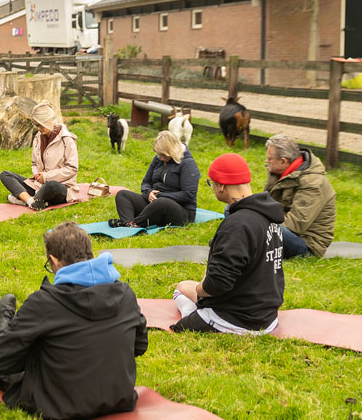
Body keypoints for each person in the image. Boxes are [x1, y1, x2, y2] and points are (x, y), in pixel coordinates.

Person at [0, 222, 148, 420]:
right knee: (11, 349)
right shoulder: (125, 293)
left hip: (57, 404)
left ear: (53, 261)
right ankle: (1, 334)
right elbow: (139, 346)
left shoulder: (45, 303)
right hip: (118, 398)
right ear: (90, 254)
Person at [171, 153, 285, 335]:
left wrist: (200, 290)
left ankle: (197, 316)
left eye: (211, 184)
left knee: (181, 290)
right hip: (266, 315)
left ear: (221, 185)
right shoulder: (269, 216)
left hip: (239, 319)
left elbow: (218, 284)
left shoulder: (237, 225)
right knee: (185, 287)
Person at [264, 134, 337, 259]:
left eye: (269, 159)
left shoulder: (312, 183)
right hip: (283, 228)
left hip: (306, 244)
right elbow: (267, 205)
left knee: (258, 226)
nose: (267, 161)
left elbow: (295, 225)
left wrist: (258, 223)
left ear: (283, 161)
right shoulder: (279, 172)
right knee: (233, 208)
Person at [0, 101, 78, 210]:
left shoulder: (67, 140)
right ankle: (32, 201)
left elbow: (72, 169)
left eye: (40, 125)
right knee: (5, 175)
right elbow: (34, 163)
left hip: (60, 187)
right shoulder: (37, 137)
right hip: (38, 185)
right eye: (36, 125)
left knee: (51, 185)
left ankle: (25, 199)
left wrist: (46, 177)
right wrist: (37, 175)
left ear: (49, 120)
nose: (38, 128)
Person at [110, 131, 199, 228]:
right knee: (122, 194)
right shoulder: (158, 159)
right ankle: (129, 223)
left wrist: (160, 195)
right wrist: (148, 193)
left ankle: (134, 223)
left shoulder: (188, 164)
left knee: (161, 203)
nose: (160, 158)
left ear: (171, 152)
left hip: (181, 211)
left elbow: (188, 195)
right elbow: (146, 182)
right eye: (159, 154)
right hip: (154, 203)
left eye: (163, 155)